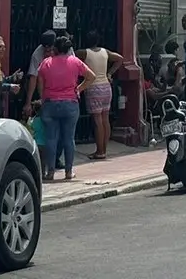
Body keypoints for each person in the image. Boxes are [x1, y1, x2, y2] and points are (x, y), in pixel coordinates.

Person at [37, 35, 95, 182]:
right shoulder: (75, 62)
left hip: (50, 104)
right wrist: (79, 89)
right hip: (70, 103)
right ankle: (68, 172)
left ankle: (50, 172)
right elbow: (91, 76)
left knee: (51, 138)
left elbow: (41, 86)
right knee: (69, 138)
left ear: (55, 49)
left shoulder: (46, 63)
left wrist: (43, 100)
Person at [78, 30, 123, 160]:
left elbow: (70, 54)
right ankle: (104, 150)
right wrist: (110, 73)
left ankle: (99, 151)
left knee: (97, 121)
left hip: (93, 88)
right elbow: (120, 59)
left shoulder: (84, 52)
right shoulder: (105, 52)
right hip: (106, 87)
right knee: (105, 119)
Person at [23, 30, 57, 119]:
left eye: (50, 50)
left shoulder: (65, 49)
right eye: (45, 49)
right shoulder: (37, 54)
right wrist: (28, 103)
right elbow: (33, 77)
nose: (47, 52)